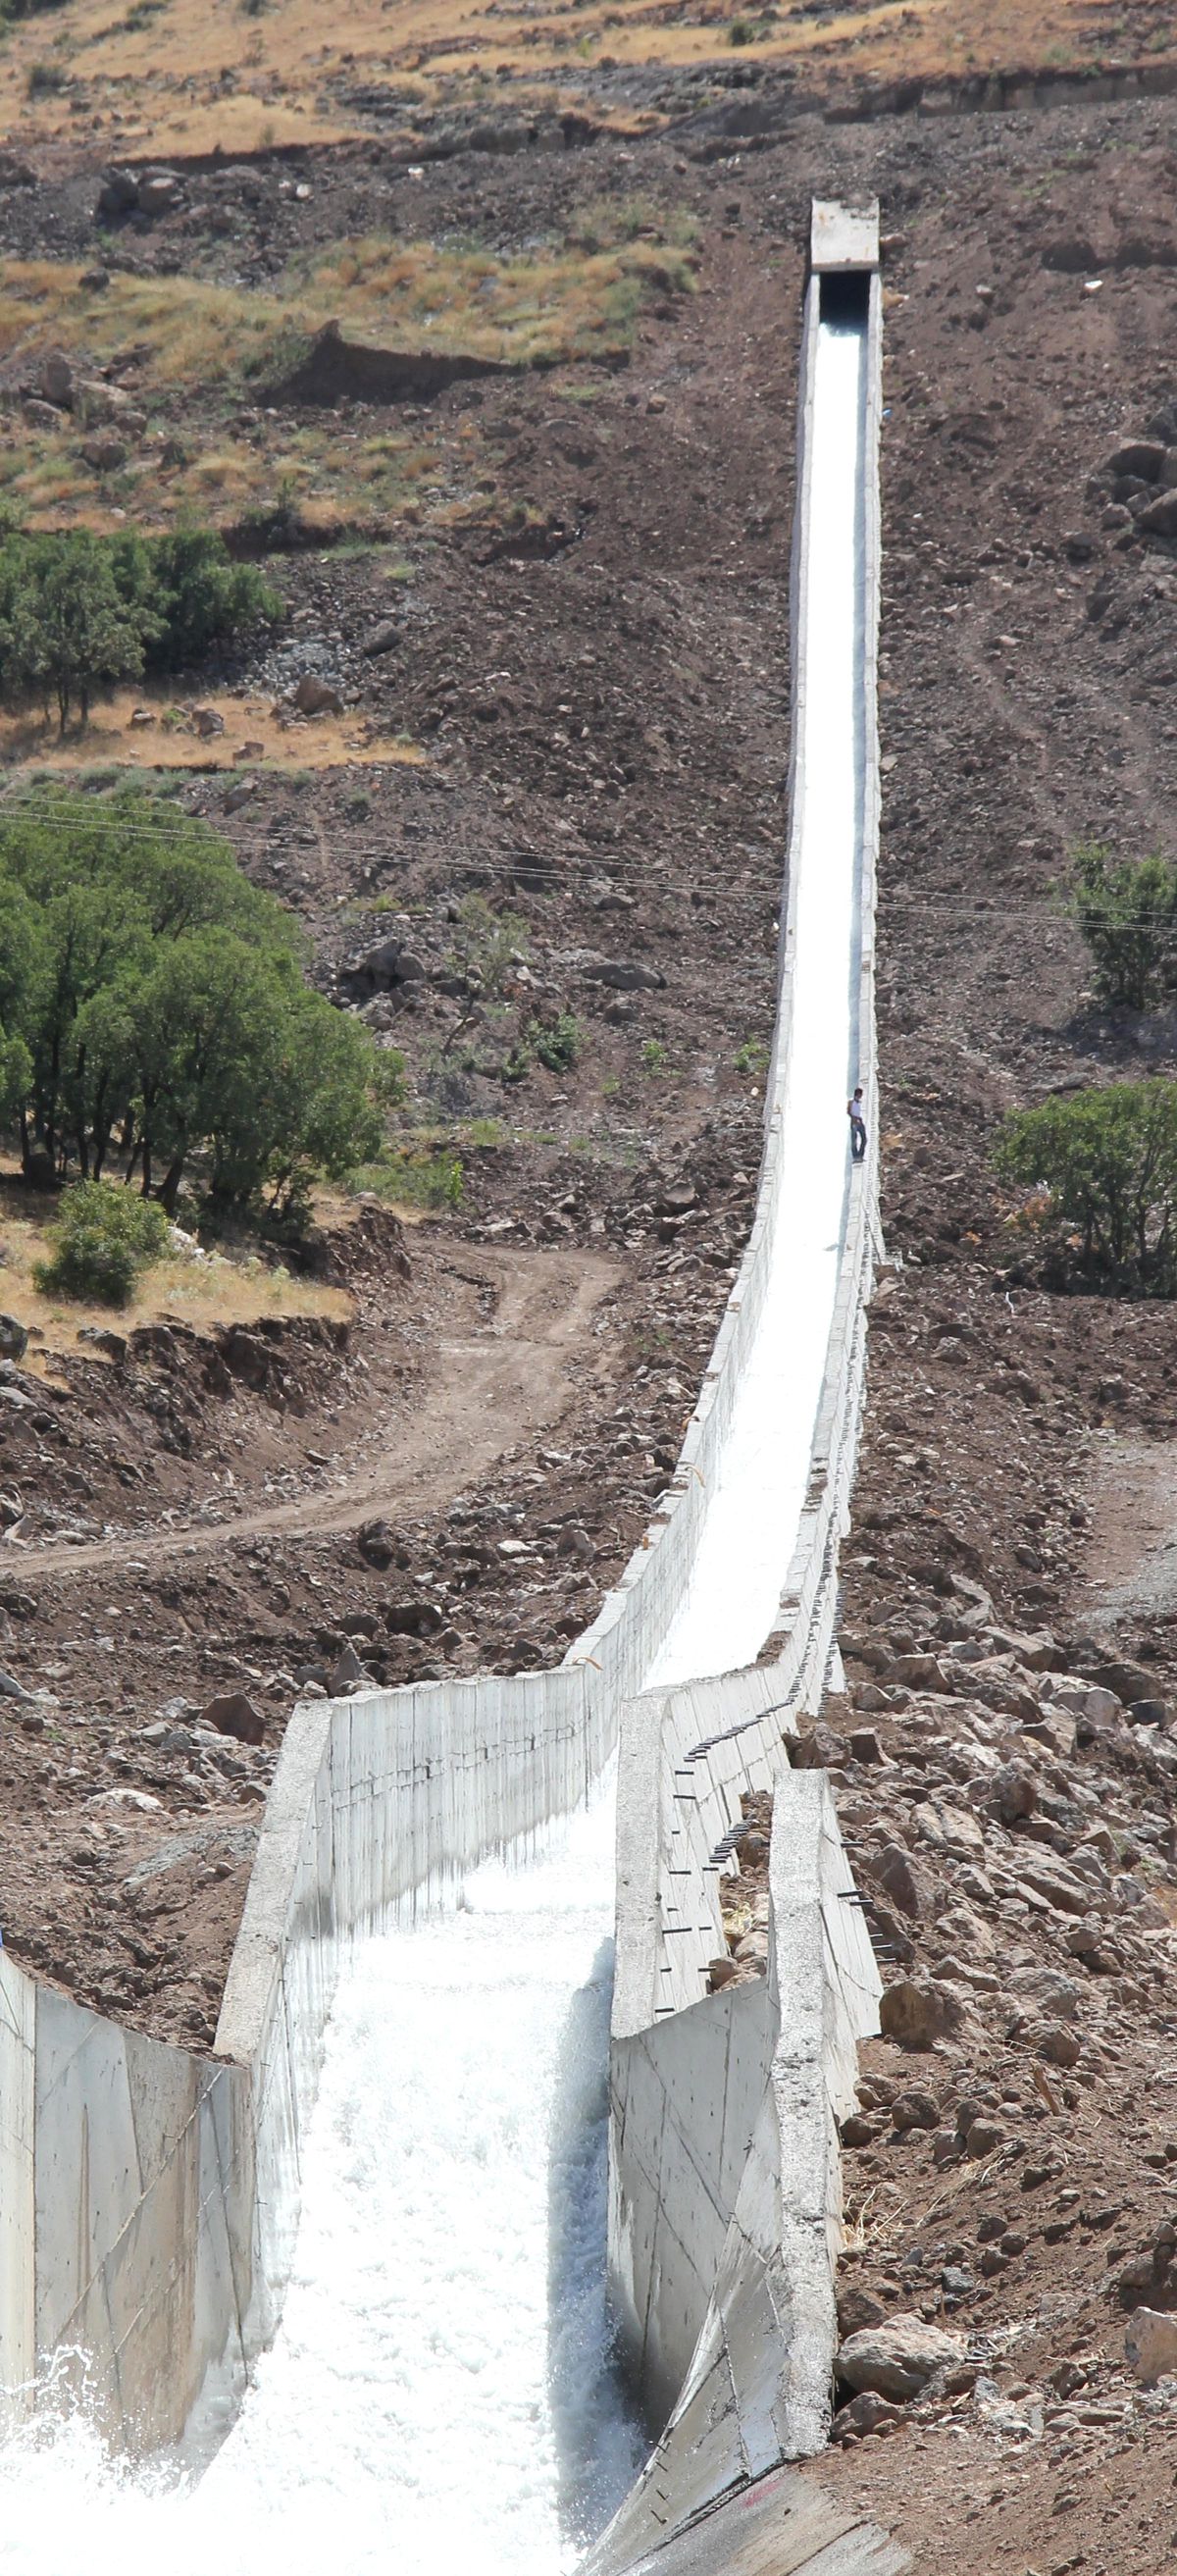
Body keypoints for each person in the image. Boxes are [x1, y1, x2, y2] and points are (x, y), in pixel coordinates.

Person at [847, 1085, 867, 1163]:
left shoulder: (859, 1102)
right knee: (854, 1140)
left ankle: (860, 1155)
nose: (861, 1096)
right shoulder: (851, 1101)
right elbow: (848, 1111)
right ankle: (855, 1157)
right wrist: (854, 1118)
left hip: (859, 1121)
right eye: (861, 1094)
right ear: (858, 1094)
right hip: (854, 1122)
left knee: (864, 1139)